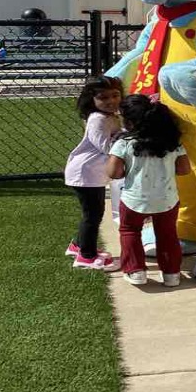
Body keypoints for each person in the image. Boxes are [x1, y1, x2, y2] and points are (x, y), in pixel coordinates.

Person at [108, 94, 191, 287]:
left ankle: (136, 271)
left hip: (133, 199)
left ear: (129, 122)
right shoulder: (173, 144)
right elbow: (184, 169)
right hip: (167, 199)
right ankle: (171, 273)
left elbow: (113, 172)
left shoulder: (124, 144)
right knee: (167, 234)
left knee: (130, 231)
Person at [64, 76, 124, 271]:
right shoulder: (98, 119)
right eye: (103, 98)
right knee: (93, 215)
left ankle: (78, 246)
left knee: (93, 213)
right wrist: (127, 138)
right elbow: (106, 147)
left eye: (115, 95)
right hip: (85, 173)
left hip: (92, 173)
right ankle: (86, 257)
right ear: (92, 100)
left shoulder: (110, 116)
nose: (111, 101)